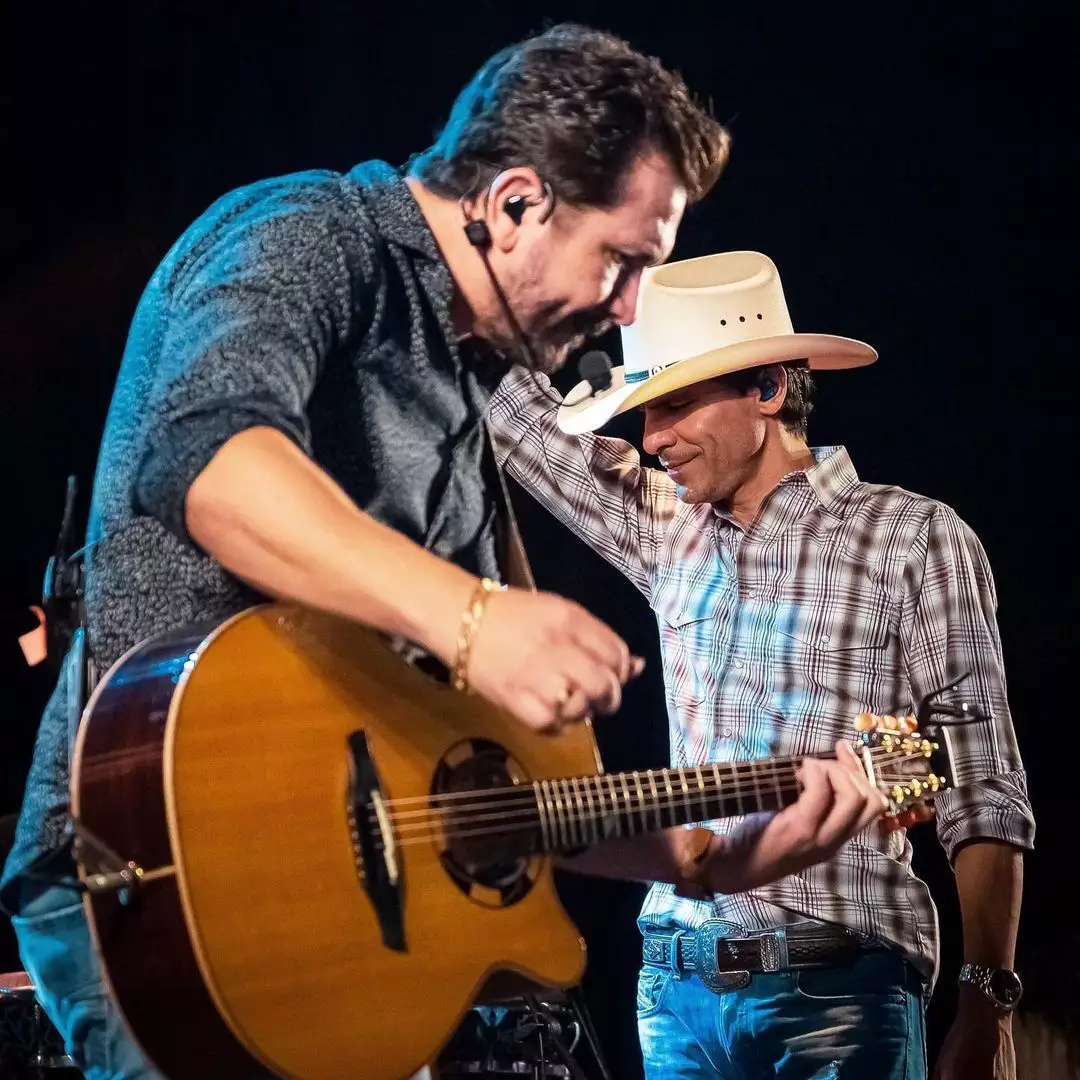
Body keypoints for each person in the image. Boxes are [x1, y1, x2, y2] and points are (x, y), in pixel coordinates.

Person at [1, 28, 886, 1080]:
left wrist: (706, 861)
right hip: (163, 870)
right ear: (514, 204)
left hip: (352, 927)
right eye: (622, 262)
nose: (627, 309)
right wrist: (473, 617)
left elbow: (493, 780)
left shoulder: (469, 396)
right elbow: (211, 468)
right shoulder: (308, 235)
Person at [487, 249, 1036, 1080]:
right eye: (645, 410)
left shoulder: (913, 537)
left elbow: (981, 782)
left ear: (769, 389)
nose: (652, 438)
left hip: (840, 986)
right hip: (673, 993)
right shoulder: (663, 524)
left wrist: (987, 1003)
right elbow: (510, 407)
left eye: (675, 405)